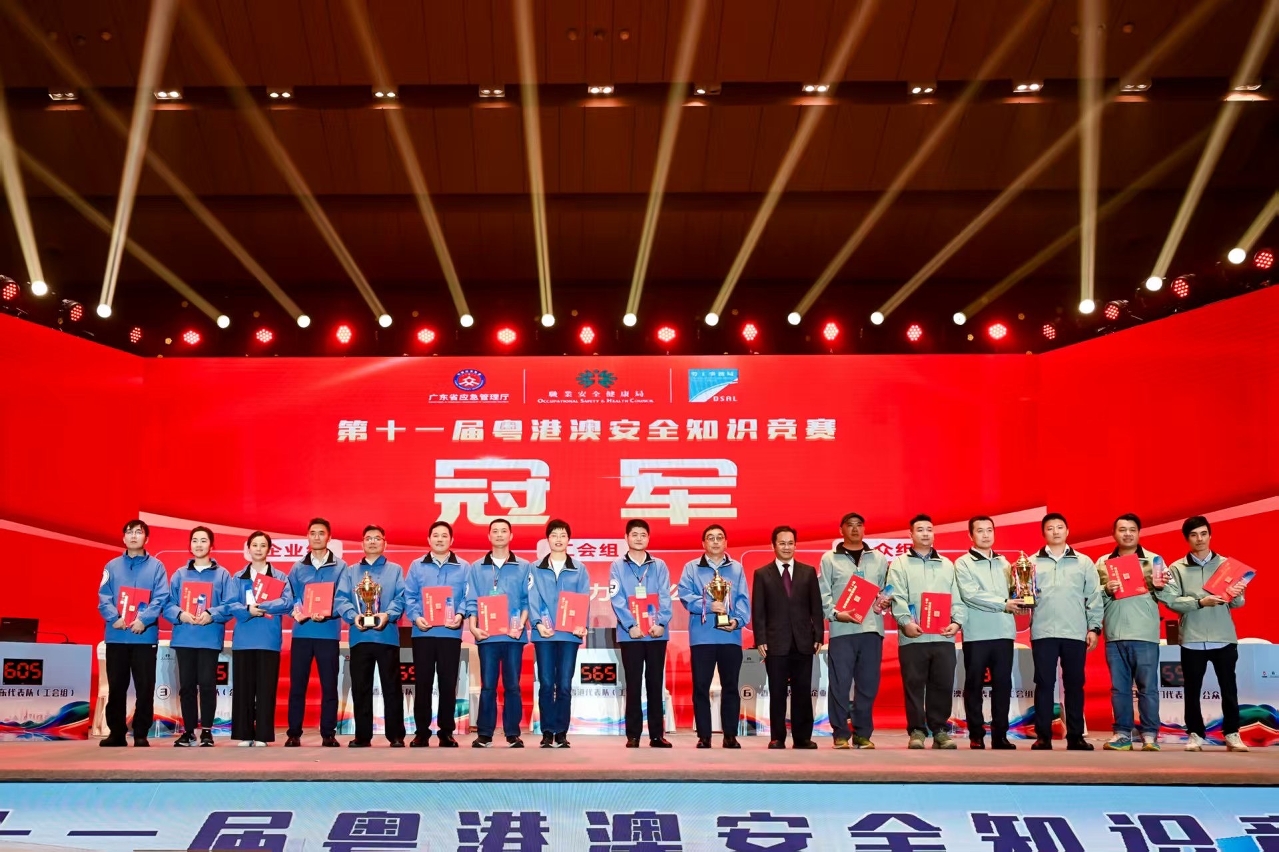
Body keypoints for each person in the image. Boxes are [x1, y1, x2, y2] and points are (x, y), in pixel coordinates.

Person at [1160, 515, 1249, 753]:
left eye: (1203, 534)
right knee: (1192, 690)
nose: (1199, 539)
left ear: (1210, 535)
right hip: (1192, 638)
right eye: (1193, 535)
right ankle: (1195, 734)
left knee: (1229, 689)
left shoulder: (1227, 565)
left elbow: (1237, 603)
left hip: (1223, 637)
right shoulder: (1177, 568)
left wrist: (1238, 593)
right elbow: (1171, 601)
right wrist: (1200, 602)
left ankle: (1232, 734)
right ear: (1186, 539)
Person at [888, 514, 967, 750]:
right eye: (920, 529)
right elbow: (897, 595)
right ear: (911, 534)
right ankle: (917, 731)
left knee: (942, 684)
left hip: (943, 636)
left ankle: (940, 730)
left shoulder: (947, 564)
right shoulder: (899, 564)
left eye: (929, 529)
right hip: (913, 636)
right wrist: (905, 622)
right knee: (914, 686)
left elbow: (957, 597)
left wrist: (957, 622)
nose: (925, 533)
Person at [1028, 512, 1103, 751]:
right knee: (1044, 684)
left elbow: (1094, 597)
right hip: (1043, 632)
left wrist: (1094, 627)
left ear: (1067, 531)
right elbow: (1023, 596)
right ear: (1044, 533)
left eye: (1060, 527)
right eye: (1050, 528)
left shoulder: (1083, 562)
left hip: (1074, 632)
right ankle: (1043, 736)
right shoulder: (1030, 562)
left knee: (1074, 685)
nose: (1056, 531)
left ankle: (1076, 736)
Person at [818, 512, 890, 750]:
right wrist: (836, 614)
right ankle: (840, 733)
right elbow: (823, 594)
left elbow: (887, 589)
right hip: (842, 630)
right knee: (839, 683)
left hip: (871, 629)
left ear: (864, 529)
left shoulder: (879, 558)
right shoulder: (829, 559)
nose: (855, 529)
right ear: (841, 530)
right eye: (850, 525)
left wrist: (885, 601)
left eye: (859, 525)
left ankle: (862, 733)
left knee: (868, 685)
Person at [1095, 513, 1166, 752]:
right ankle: (1122, 734)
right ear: (1114, 533)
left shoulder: (1154, 560)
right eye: (1122, 529)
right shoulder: (1102, 562)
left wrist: (1162, 586)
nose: (1127, 534)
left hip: (1145, 634)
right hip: (1115, 634)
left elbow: (1169, 597)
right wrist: (1105, 589)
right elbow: (1092, 598)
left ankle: (1150, 735)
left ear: (1139, 532)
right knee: (1119, 689)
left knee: (1148, 688)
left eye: (1132, 529)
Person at [677, 524, 750, 749]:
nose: (715, 541)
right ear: (703, 543)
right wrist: (708, 605)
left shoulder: (736, 568)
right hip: (702, 637)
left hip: (730, 636)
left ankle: (730, 735)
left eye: (720, 537)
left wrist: (737, 621)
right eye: (711, 538)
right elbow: (685, 595)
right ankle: (704, 736)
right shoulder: (691, 568)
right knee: (701, 687)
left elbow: (743, 599)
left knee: (731, 687)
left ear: (726, 542)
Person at [97, 519, 169, 747]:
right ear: (123, 537)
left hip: (144, 636)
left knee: (144, 688)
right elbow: (104, 597)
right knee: (116, 687)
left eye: (139, 532)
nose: (134, 536)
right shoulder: (111, 566)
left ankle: (140, 733)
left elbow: (161, 597)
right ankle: (116, 733)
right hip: (117, 636)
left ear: (146, 538)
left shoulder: (157, 567)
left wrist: (143, 620)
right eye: (129, 532)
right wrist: (114, 618)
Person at [164, 526, 237, 747]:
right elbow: (167, 604)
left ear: (211, 545)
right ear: (190, 545)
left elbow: (230, 605)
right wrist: (181, 614)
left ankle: (206, 731)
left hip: (209, 638)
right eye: (195, 540)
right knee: (186, 686)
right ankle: (188, 731)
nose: (198, 544)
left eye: (203, 540)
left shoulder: (223, 575)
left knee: (207, 685)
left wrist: (211, 614)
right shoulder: (179, 574)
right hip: (184, 637)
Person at [751, 525, 823, 750]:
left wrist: (819, 635)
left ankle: (802, 738)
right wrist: (760, 639)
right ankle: (777, 737)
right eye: (782, 543)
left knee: (803, 692)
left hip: (803, 641)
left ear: (795, 545)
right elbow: (758, 610)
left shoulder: (808, 572)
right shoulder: (762, 574)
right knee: (777, 692)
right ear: (773, 545)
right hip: (775, 642)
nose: (786, 547)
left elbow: (816, 607)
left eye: (790, 543)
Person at [335, 525, 406, 748]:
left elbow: (401, 598)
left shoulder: (395, 570)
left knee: (392, 687)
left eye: (377, 538)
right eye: (368, 538)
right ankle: (362, 736)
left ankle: (396, 735)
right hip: (360, 636)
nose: (372, 542)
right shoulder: (350, 571)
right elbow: (341, 599)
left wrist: (388, 614)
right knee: (360, 688)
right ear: (362, 543)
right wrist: (353, 615)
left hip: (387, 636)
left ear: (385, 543)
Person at [954, 515, 1021, 750]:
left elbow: (1015, 591)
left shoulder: (1005, 563)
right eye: (980, 531)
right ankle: (976, 734)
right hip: (977, 634)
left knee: (1002, 686)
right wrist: (1004, 603)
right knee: (974, 686)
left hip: (1004, 632)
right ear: (970, 535)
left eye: (989, 530)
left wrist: (1025, 597)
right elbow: (970, 594)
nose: (985, 535)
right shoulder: (963, 563)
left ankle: (1000, 735)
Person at [464, 518, 532, 748]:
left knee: (512, 685)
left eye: (504, 531)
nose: (500, 534)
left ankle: (512, 733)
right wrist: (473, 627)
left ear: (511, 535)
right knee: (488, 686)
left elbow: (527, 600)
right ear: (489, 536)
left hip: (513, 636)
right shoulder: (477, 567)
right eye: (495, 531)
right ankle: (485, 734)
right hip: (487, 636)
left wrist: (521, 624)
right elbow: (472, 600)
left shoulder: (524, 566)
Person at [403, 521, 470, 747]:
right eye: (435, 535)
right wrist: (415, 617)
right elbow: (409, 596)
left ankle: (446, 732)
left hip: (450, 634)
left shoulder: (464, 567)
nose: (440, 539)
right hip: (423, 633)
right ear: (428, 539)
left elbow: (468, 597)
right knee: (422, 683)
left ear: (451, 540)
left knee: (447, 684)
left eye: (444, 536)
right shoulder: (416, 566)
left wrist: (460, 614)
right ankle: (421, 732)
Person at [609, 519, 674, 748]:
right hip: (631, 635)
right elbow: (616, 598)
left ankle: (656, 735)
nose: (638, 538)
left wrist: (661, 622)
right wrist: (630, 625)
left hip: (656, 634)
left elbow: (665, 595)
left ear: (648, 538)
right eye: (634, 534)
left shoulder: (659, 565)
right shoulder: (617, 566)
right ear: (626, 538)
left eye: (643, 534)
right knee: (634, 684)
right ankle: (633, 735)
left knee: (655, 683)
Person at [285, 517, 349, 748]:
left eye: (321, 533)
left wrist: (328, 612)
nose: (317, 537)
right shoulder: (297, 567)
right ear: (308, 536)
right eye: (313, 533)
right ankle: (294, 733)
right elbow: (290, 596)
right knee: (297, 686)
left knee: (329, 686)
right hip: (302, 632)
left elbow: (343, 598)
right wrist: (297, 610)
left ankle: (328, 733)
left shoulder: (341, 566)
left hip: (328, 633)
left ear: (329, 537)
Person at [528, 519, 591, 748]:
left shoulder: (579, 568)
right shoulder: (535, 568)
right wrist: (537, 623)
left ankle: (561, 732)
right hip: (544, 634)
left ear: (568, 540)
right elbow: (532, 597)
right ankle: (547, 731)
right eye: (554, 535)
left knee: (564, 684)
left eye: (563, 535)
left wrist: (581, 624)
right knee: (546, 683)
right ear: (548, 539)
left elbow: (583, 598)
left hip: (569, 635)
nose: (558, 539)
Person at [228, 531, 294, 746]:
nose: (258, 549)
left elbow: (287, 602)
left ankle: (263, 735)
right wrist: (248, 609)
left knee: (266, 690)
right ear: (248, 548)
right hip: (243, 640)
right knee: (243, 690)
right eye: (254, 545)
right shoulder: (238, 577)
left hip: (268, 639)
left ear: (269, 549)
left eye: (263, 545)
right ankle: (245, 734)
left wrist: (263, 606)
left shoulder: (280, 577)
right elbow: (230, 604)